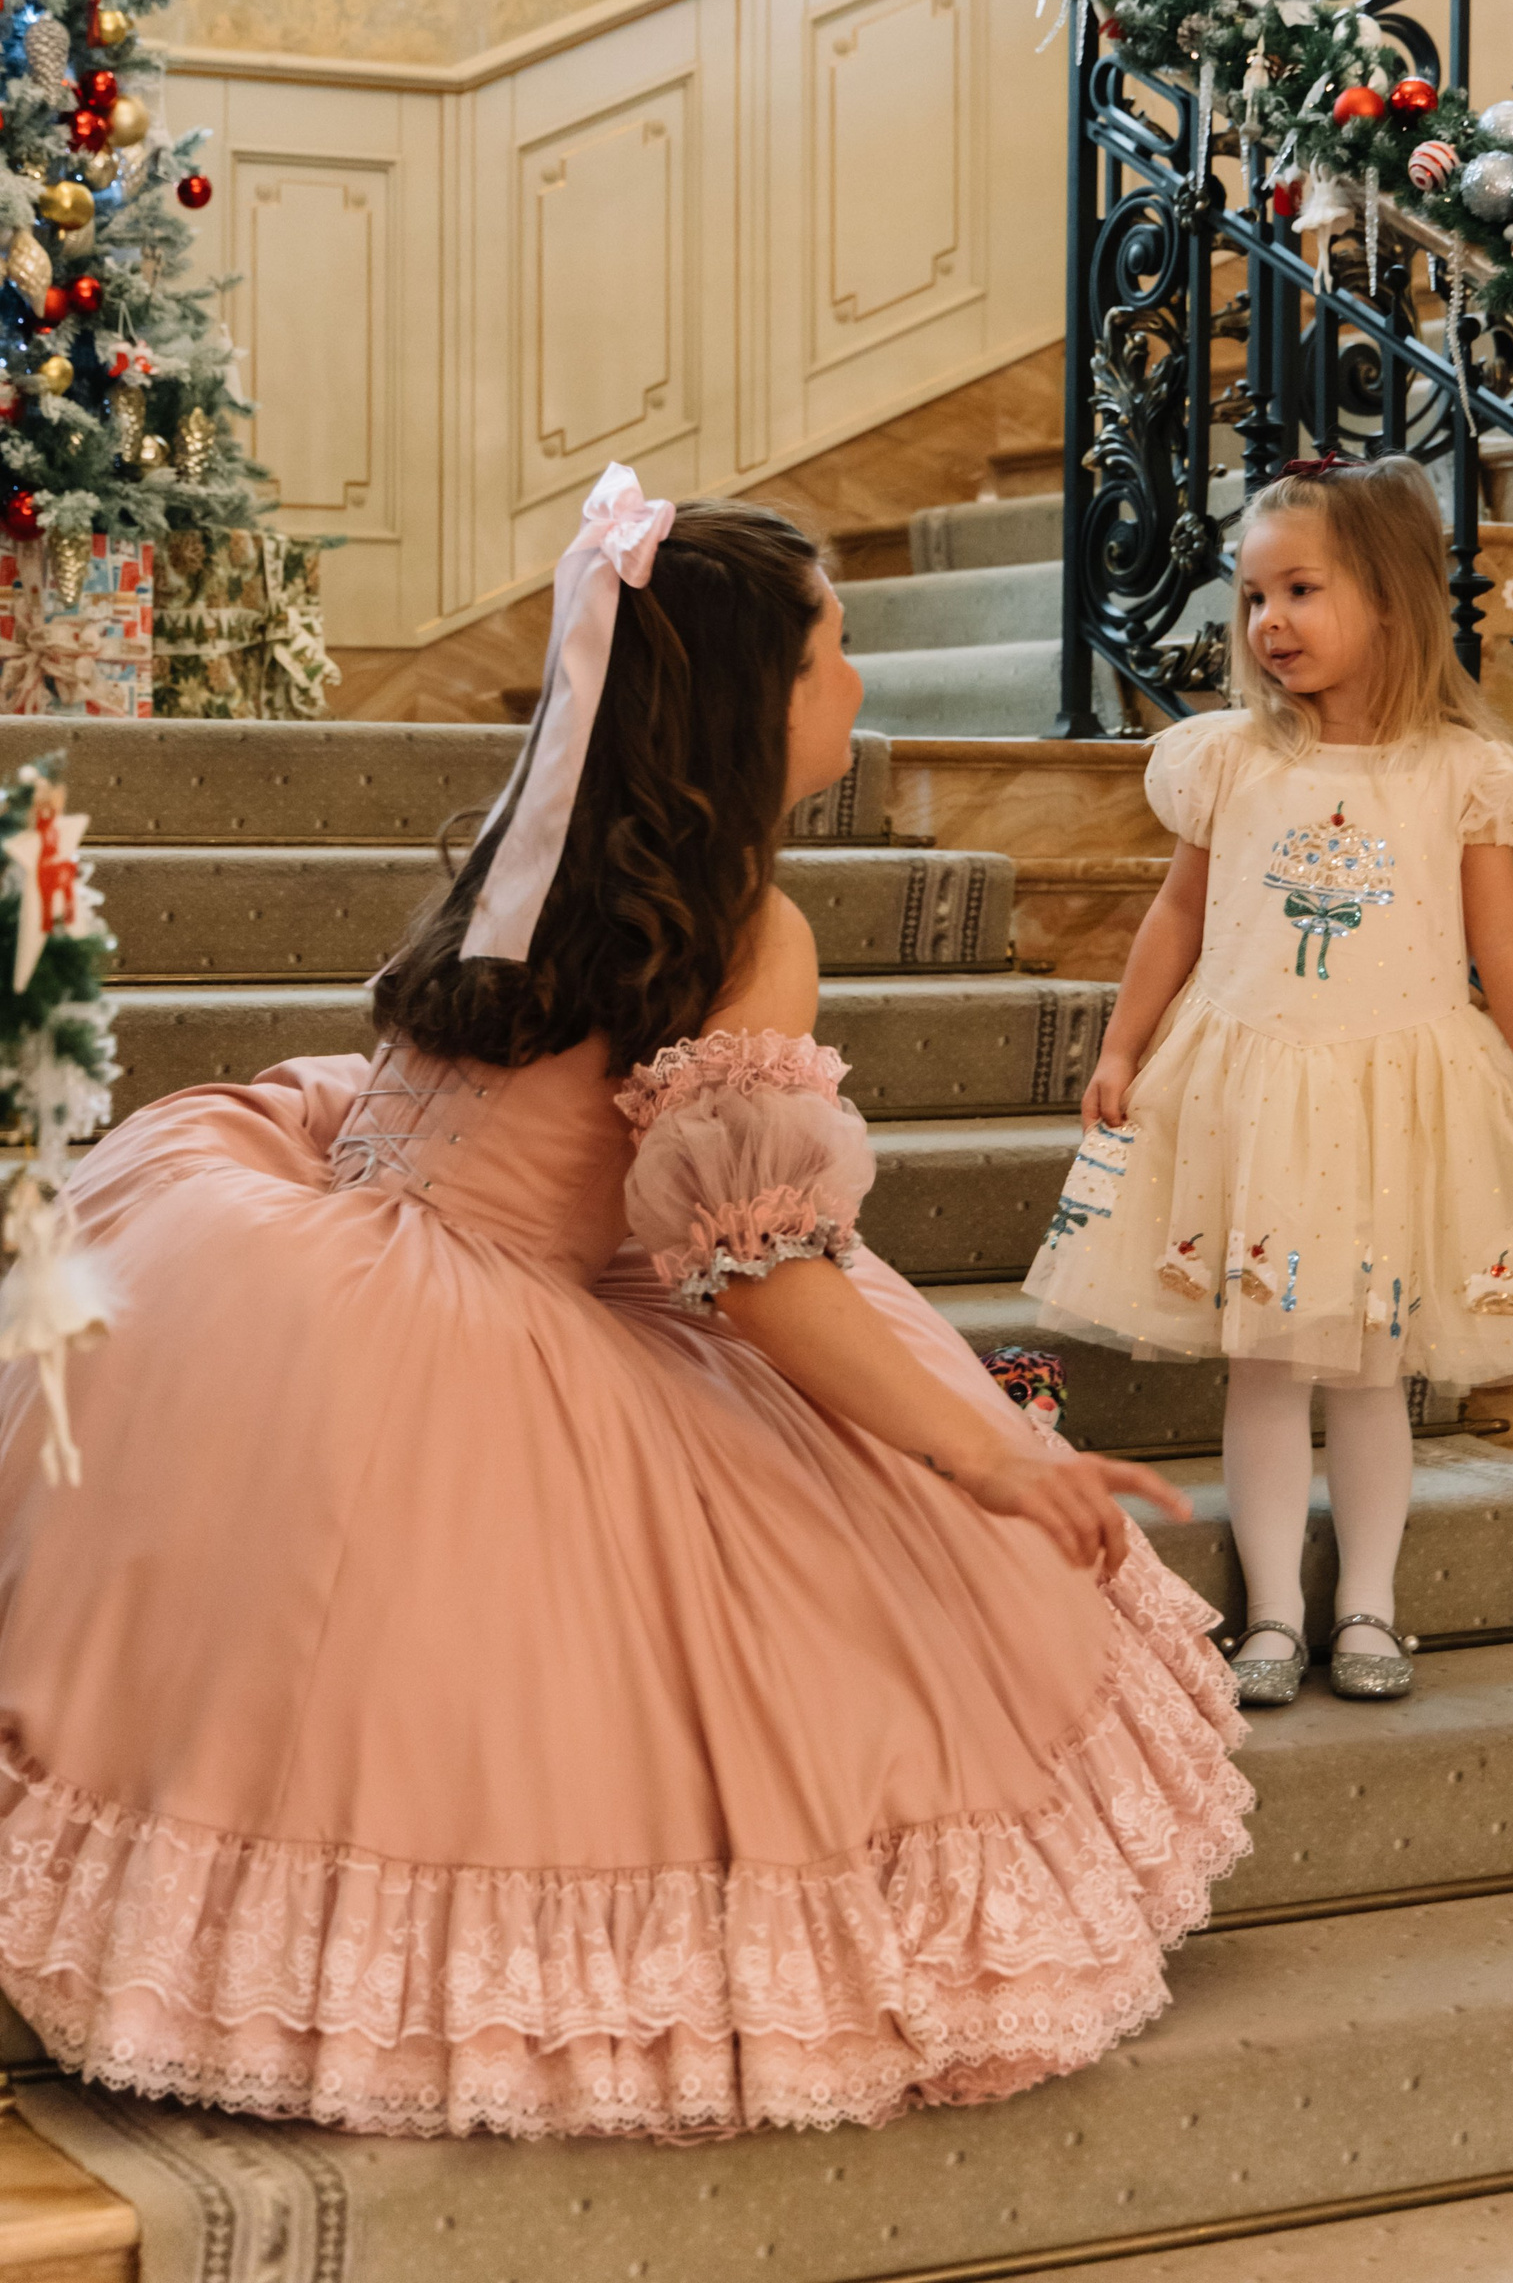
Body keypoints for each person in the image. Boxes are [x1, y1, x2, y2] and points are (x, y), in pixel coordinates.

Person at [0, 470, 1252, 2141]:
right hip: (480, 1318)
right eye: (833, 651)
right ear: (752, 704)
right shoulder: (744, 926)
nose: (857, 681)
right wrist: (988, 1459)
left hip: (313, 1240)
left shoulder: (532, 852)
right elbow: (760, 1269)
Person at [1023, 455, 1513, 1710]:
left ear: (1389, 599)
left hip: (1393, 1103)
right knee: (1267, 1366)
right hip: (1253, 1094)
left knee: (1372, 1373)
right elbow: (1178, 916)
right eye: (1252, 597)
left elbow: (1503, 944)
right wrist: (1121, 1048)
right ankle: (1276, 1613)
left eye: (1300, 590)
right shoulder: (1230, 761)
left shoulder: (1457, 773)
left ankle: (1369, 1605)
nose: (1268, 622)